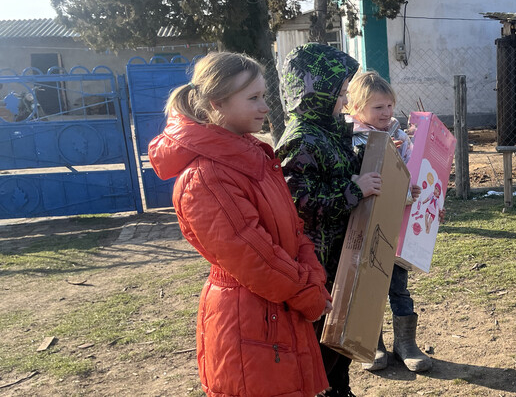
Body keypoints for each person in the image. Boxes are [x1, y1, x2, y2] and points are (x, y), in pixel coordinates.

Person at [148, 52, 331, 397]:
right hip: (249, 316)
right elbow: (252, 256)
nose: (265, 107)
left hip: (275, 307)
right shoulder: (206, 176)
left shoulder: (252, 156)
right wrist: (307, 290)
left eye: (264, 96)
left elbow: (292, 229)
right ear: (217, 103)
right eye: (253, 98)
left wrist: (312, 275)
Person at [276, 43, 382, 397]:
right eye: (339, 92)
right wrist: (354, 192)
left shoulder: (328, 131)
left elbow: (343, 170)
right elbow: (299, 201)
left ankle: (340, 388)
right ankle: (322, 389)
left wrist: (370, 160)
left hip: (342, 251)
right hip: (320, 259)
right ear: (314, 92)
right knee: (324, 338)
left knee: (343, 335)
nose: (343, 99)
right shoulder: (301, 139)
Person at [345, 70, 433, 373]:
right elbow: (350, 180)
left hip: (394, 225)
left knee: (399, 287)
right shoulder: (349, 140)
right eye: (377, 107)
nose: (386, 113)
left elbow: (409, 173)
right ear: (355, 108)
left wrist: (412, 188)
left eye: (389, 106)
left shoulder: (399, 136)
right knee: (369, 286)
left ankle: (406, 344)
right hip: (364, 225)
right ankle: (373, 343)